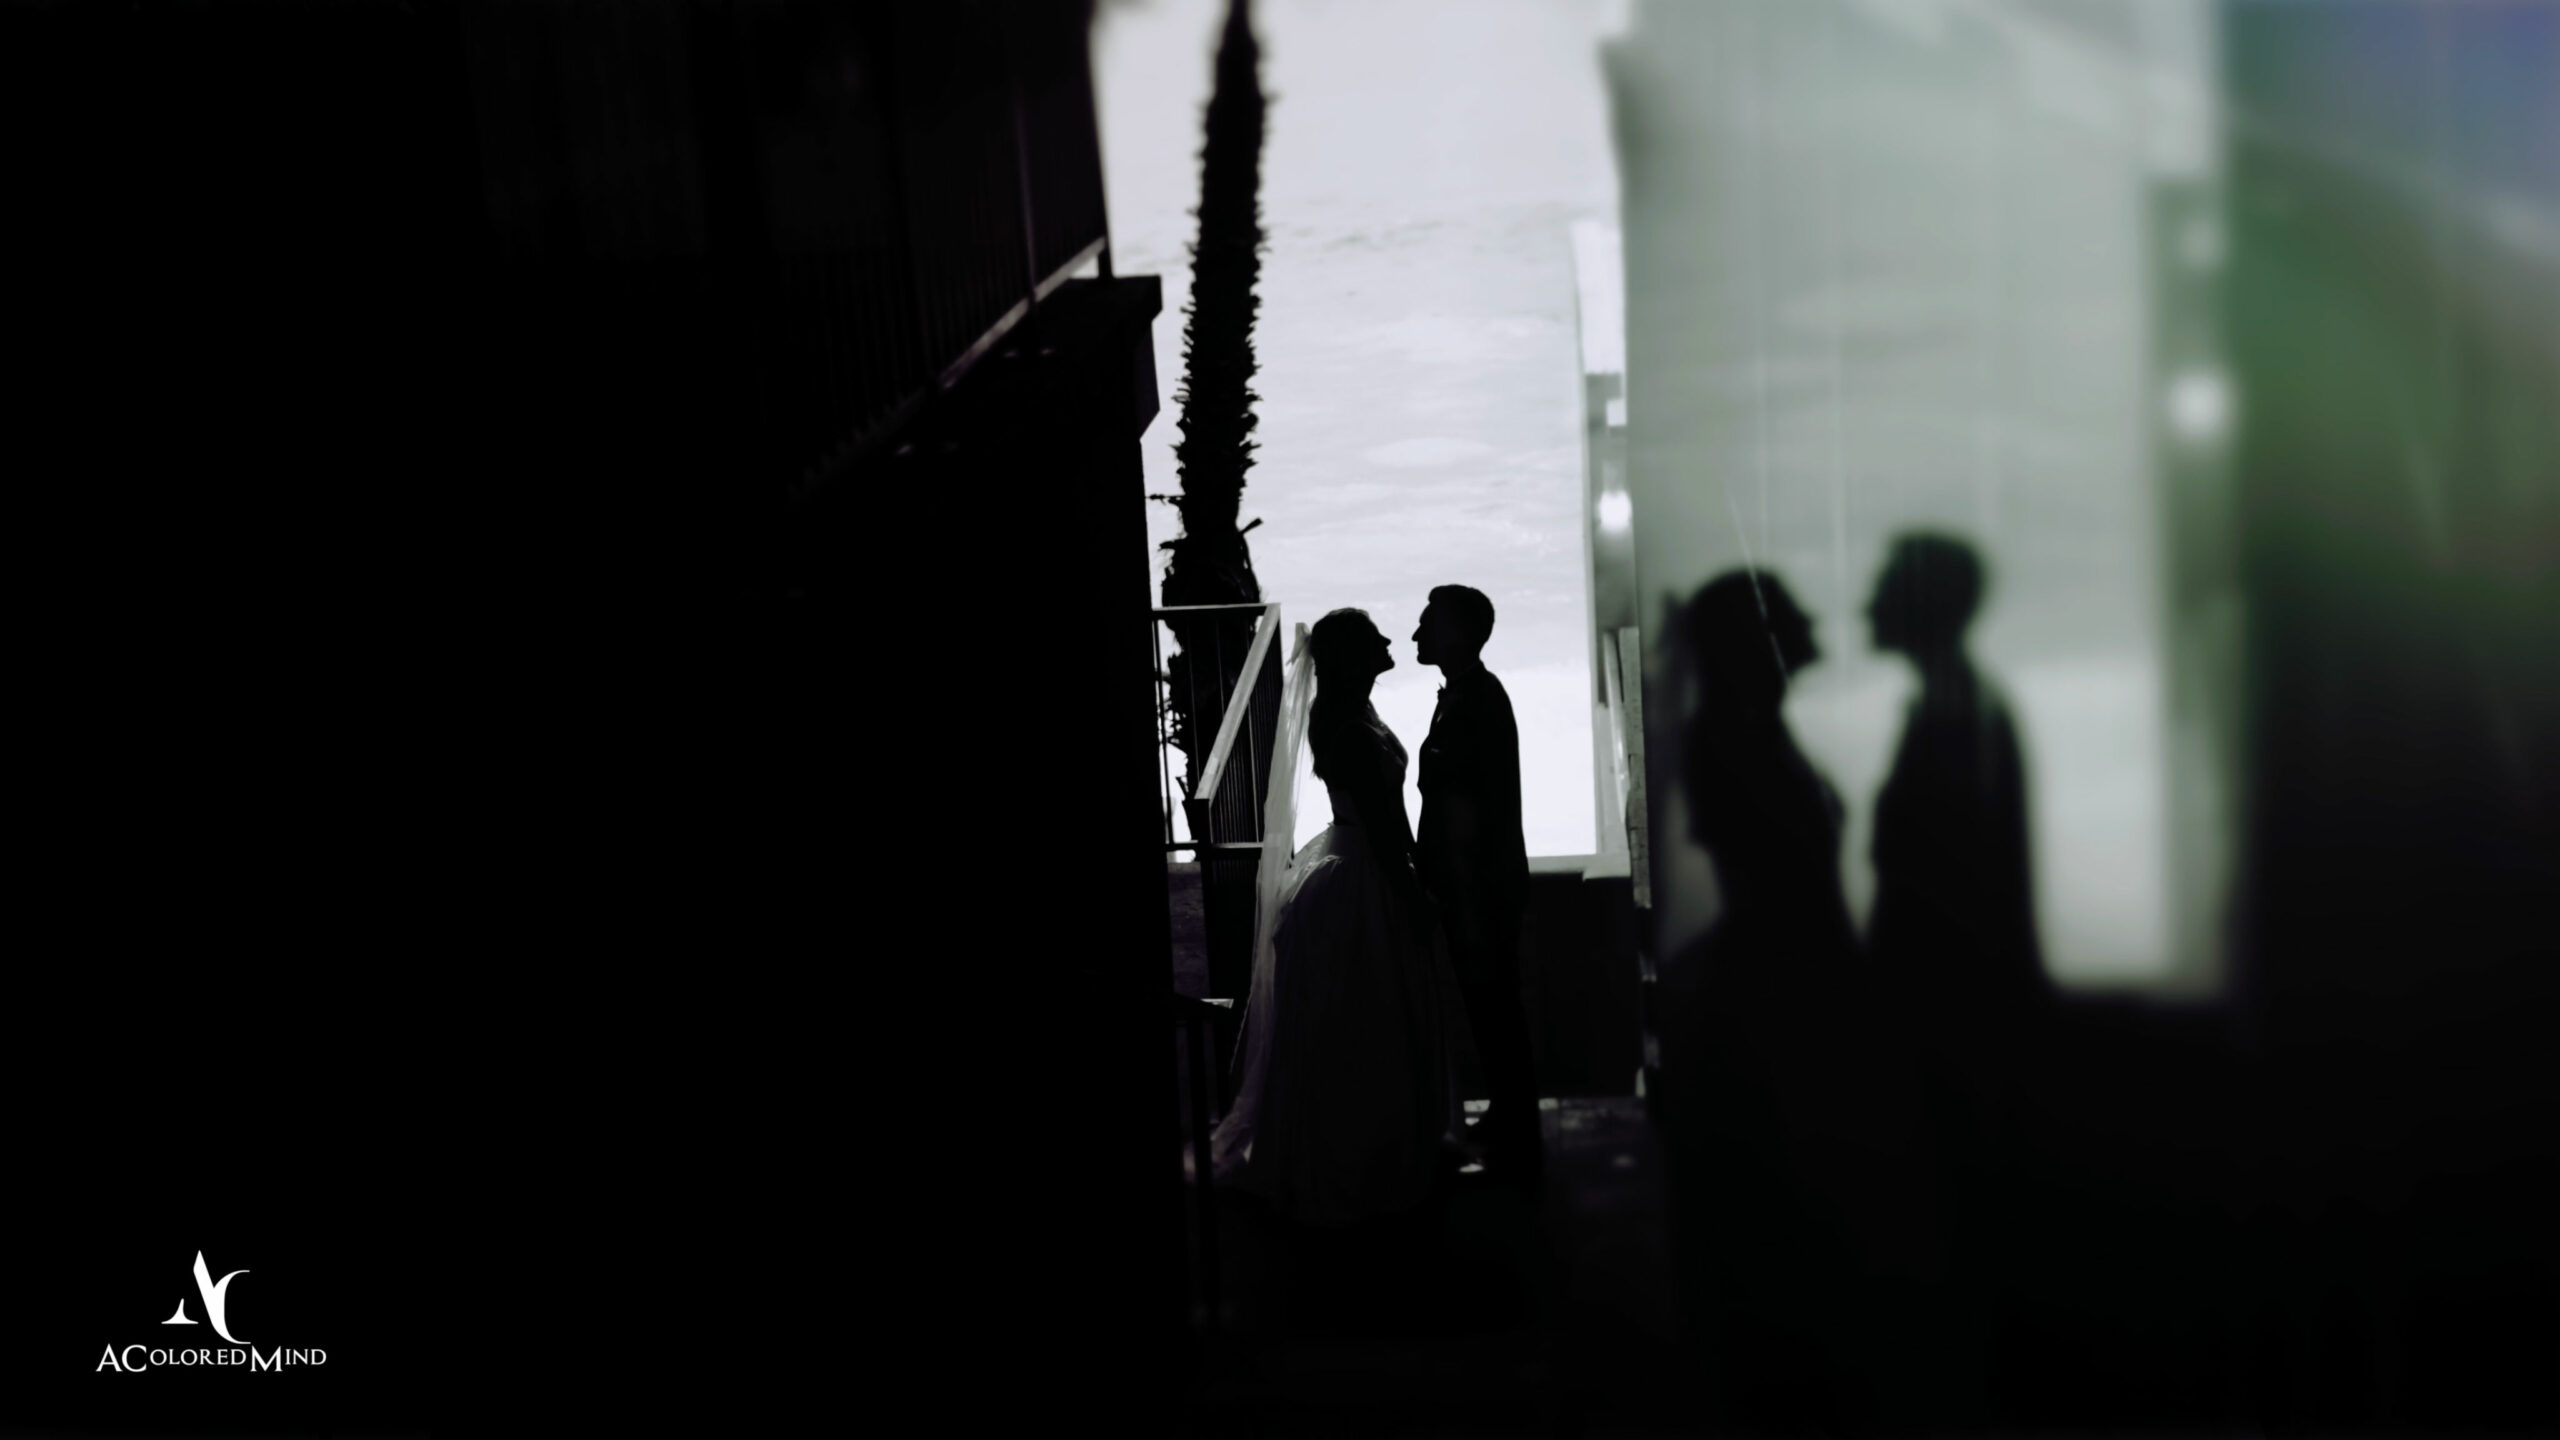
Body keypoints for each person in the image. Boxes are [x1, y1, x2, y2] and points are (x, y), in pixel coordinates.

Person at [1210, 609, 1458, 1227]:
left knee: (1360, 1024)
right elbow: (1382, 824)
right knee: (1366, 1026)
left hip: (1357, 862)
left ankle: (1375, 1151)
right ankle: (1359, 1162)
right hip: (1365, 876)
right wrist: (1414, 894)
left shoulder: (1354, 713)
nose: (1388, 639)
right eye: (1374, 635)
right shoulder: (1348, 728)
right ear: (1351, 654)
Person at [1411, 585, 1541, 1183]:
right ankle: (1513, 1118)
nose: (1416, 635)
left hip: (1477, 889)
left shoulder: (1476, 701)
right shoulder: (1468, 696)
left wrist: (1448, 885)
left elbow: (1468, 811)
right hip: (1474, 886)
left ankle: (1516, 1127)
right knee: (1490, 1006)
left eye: (1427, 624)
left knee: (1495, 1006)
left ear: (1458, 633)